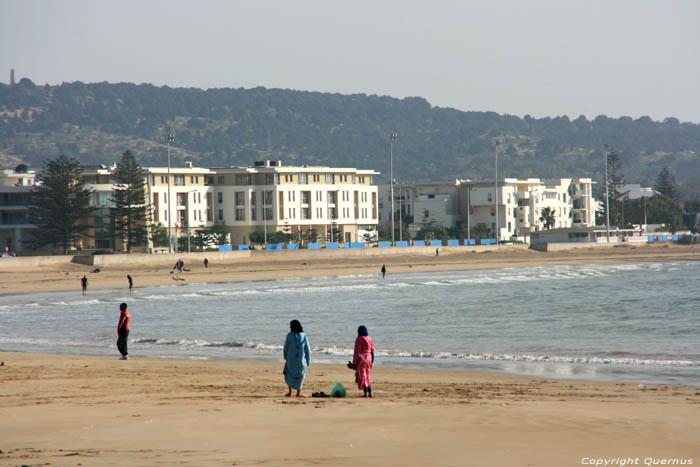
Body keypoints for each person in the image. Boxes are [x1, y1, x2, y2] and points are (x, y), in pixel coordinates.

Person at [283, 319, 311, 397]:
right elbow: (308, 349)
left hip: (291, 360)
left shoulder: (289, 335)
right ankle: (298, 393)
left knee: (289, 374)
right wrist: (308, 360)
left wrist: (285, 356)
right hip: (301, 361)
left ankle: (290, 392)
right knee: (301, 376)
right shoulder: (304, 336)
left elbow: (286, 347)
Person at [353, 325, 375, 398]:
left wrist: (354, 363)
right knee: (368, 376)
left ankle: (365, 393)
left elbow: (357, 352)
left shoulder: (359, 339)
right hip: (369, 358)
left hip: (362, 359)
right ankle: (370, 393)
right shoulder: (369, 338)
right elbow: (372, 351)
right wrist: (372, 361)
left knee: (363, 376)